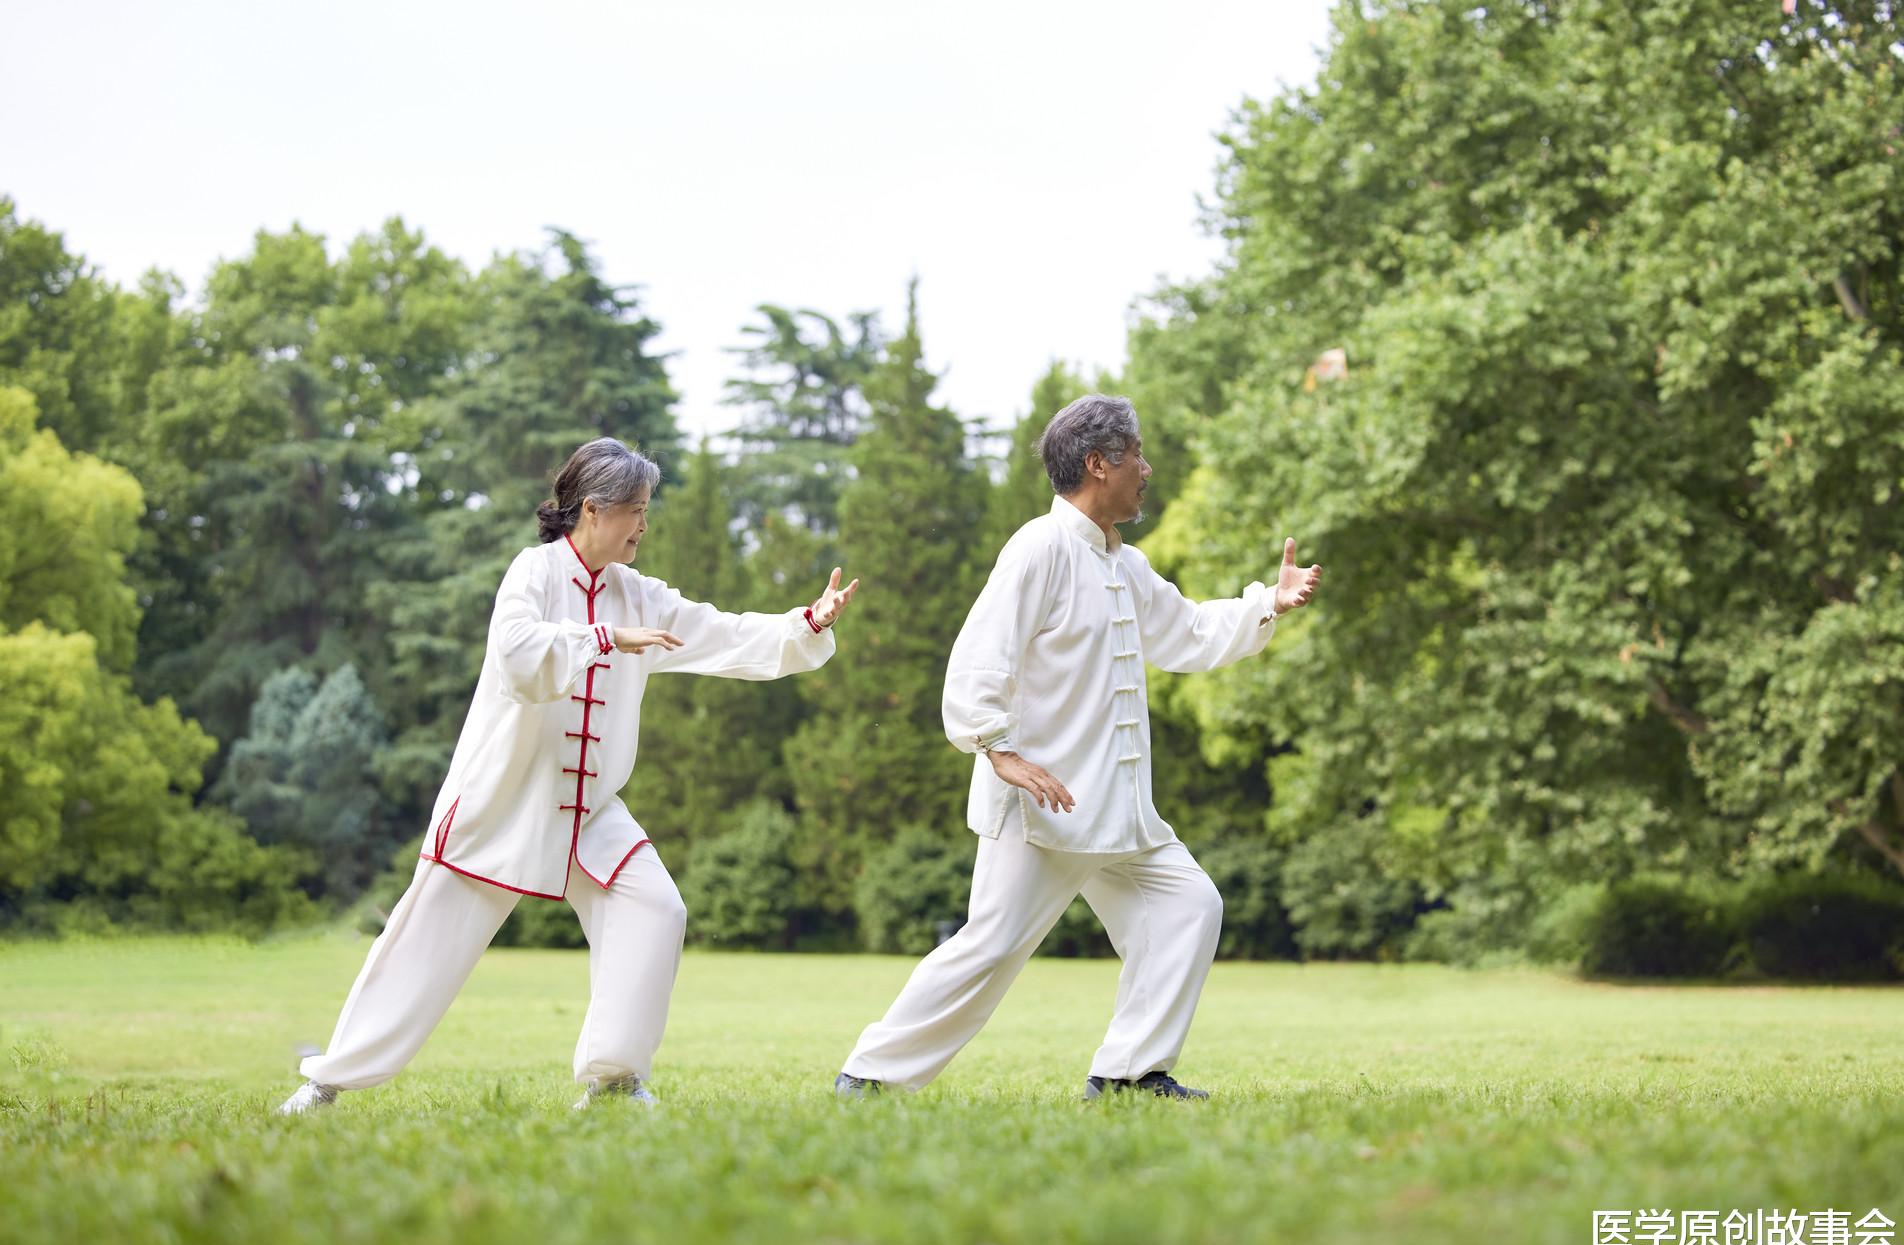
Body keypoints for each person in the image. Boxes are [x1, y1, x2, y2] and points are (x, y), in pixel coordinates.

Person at [279, 437, 859, 1114]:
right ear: (593, 508)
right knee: (425, 939)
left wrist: (806, 624)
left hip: (590, 808)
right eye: (636, 509)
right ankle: (326, 1082)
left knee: (655, 908)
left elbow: (719, 633)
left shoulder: (636, 593)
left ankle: (613, 1081)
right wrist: (605, 639)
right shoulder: (534, 573)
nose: (645, 524)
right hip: (504, 801)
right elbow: (519, 656)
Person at [835, 394, 1319, 1101]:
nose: (1148, 469)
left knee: (1188, 906)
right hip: (1042, 807)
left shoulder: (1126, 564)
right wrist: (998, 750)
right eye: (1138, 455)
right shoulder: (1039, 548)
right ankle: (870, 1075)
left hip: (1118, 812)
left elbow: (1186, 632)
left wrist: (1266, 603)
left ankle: (1127, 1074)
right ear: (1099, 463)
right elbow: (980, 658)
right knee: (990, 947)